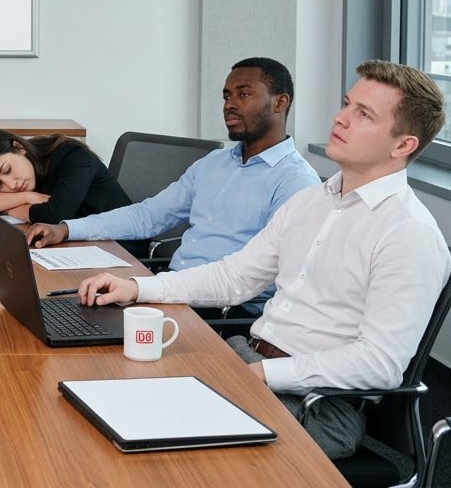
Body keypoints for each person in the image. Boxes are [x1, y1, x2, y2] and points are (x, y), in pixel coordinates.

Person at [76, 61, 451, 459]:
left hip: (316, 404)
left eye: (363, 114)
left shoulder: (408, 233)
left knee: (159, 445)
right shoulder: (312, 201)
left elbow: (380, 364)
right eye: (346, 104)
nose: (340, 118)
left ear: (403, 145)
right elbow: (235, 276)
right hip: (247, 355)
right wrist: (138, 287)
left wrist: (264, 374)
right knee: (114, 396)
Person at [25, 57, 319, 316]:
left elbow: (265, 277)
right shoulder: (215, 163)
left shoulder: (295, 181)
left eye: (244, 94)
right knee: (60, 308)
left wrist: (149, 289)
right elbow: (148, 216)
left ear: (280, 103)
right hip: (171, 291)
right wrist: (66, 229)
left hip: (223, 311)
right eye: (227, 95)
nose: (230, 104)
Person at [0, 128, 130, 223]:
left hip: (124, 250)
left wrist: (8, 207)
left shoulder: (72, 155)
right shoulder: (26, 183)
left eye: (7, 170)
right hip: (84, 247)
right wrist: (27, 196)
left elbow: (56, 216)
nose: (11, 185)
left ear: (19, 148)